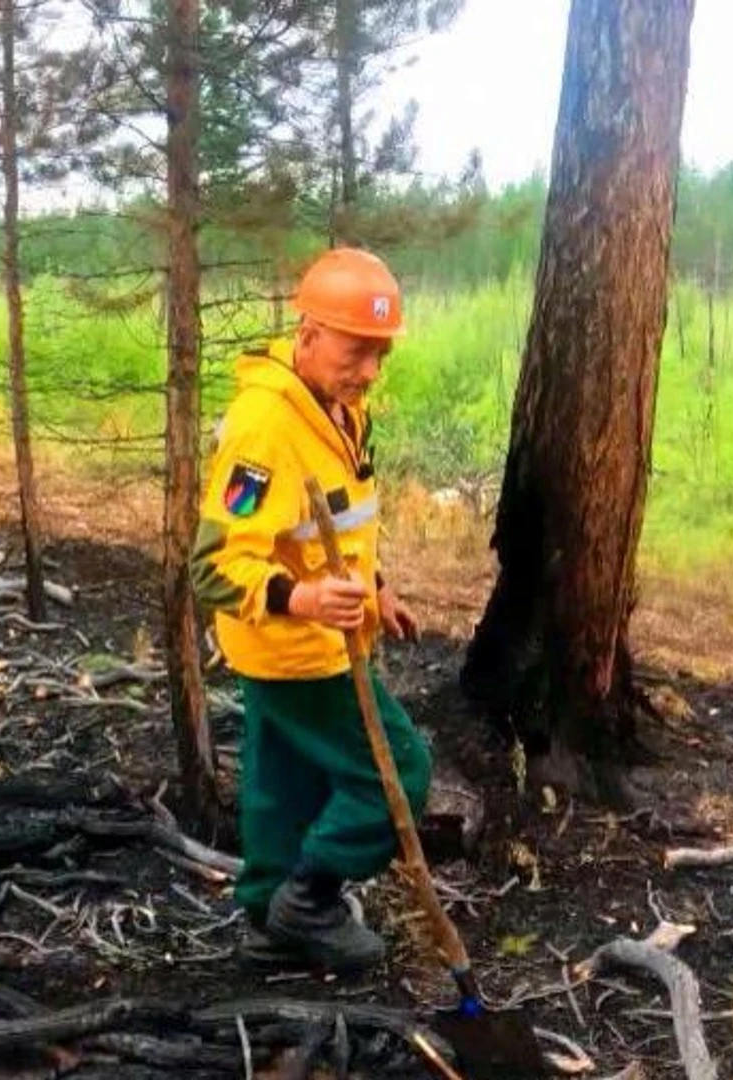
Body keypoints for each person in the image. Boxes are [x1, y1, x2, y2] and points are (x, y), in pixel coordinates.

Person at [191, 247, 430, 974]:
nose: (368, 373)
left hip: (309, 643)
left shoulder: (337, 408)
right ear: (311, 332)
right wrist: (302, 598)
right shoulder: (267, 426)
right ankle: (314, 896)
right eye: (357, 353)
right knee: (400, 775)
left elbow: (336, 519)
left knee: (281, 785)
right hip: (297, 648)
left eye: (379, 357)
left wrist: (375, 586)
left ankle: (270, 915)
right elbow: (213, 566)